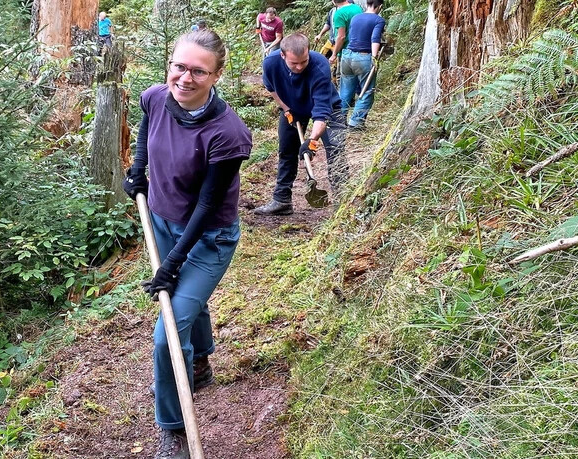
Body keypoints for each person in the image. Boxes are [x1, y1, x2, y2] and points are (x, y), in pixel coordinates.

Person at [121, 30, 252, 458]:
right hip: (162, 219)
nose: (185, 78)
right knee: (190, 302)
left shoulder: (228, 133)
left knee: (167, 335)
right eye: (179, 66)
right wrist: (138, 169)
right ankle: (200, 362)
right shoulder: (155, 97)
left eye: (199, 71)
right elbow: (147, 127)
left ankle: (173, 428)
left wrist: (173, 262)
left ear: (216, 75)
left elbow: (208, 204)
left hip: (209, 237)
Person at [254, 33, 348, 216]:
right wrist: (286, 109)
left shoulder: (320, 65)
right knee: (287, 150)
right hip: (292, 107)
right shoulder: (271, 63)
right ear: (282, 55)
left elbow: (322, 112)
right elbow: (271, 88)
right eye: (294, 63)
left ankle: (344, 202)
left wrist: (312, 141)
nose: (299, 67)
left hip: (328, 107)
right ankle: (282, 200)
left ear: (308, 53)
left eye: (303, 62)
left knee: (336, 150)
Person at [343, 0, 385, 128]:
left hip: (347, 56)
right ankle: (355, 123)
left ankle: (337, 119)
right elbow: (375, 38)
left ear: (367, 4)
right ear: (380, 6)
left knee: (345, 91)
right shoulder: (378, 20)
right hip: (363, 57)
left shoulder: (355, 18)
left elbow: (351, 36)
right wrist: (374, 58)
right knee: (367, 91)